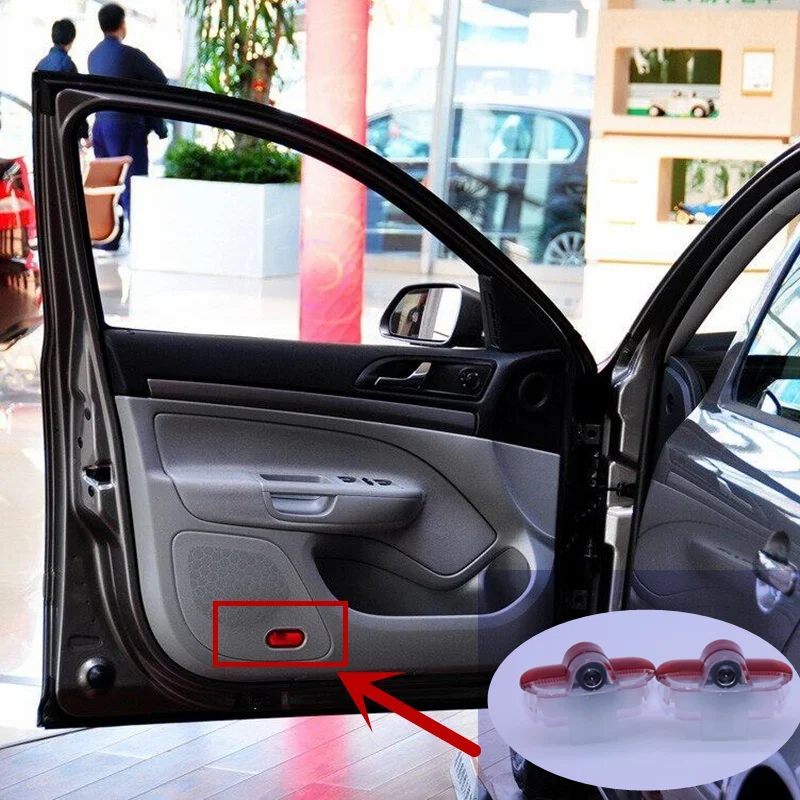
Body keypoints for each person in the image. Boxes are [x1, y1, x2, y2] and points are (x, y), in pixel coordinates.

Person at [87, 3, 168, 243]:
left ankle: (109, 239)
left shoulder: (93, 55)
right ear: (123, 25)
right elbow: (160, 79)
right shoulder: (130, 54)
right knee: (133, 183)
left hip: (101, 125)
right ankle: (138, 240)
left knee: (109, 184)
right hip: (127, 125)